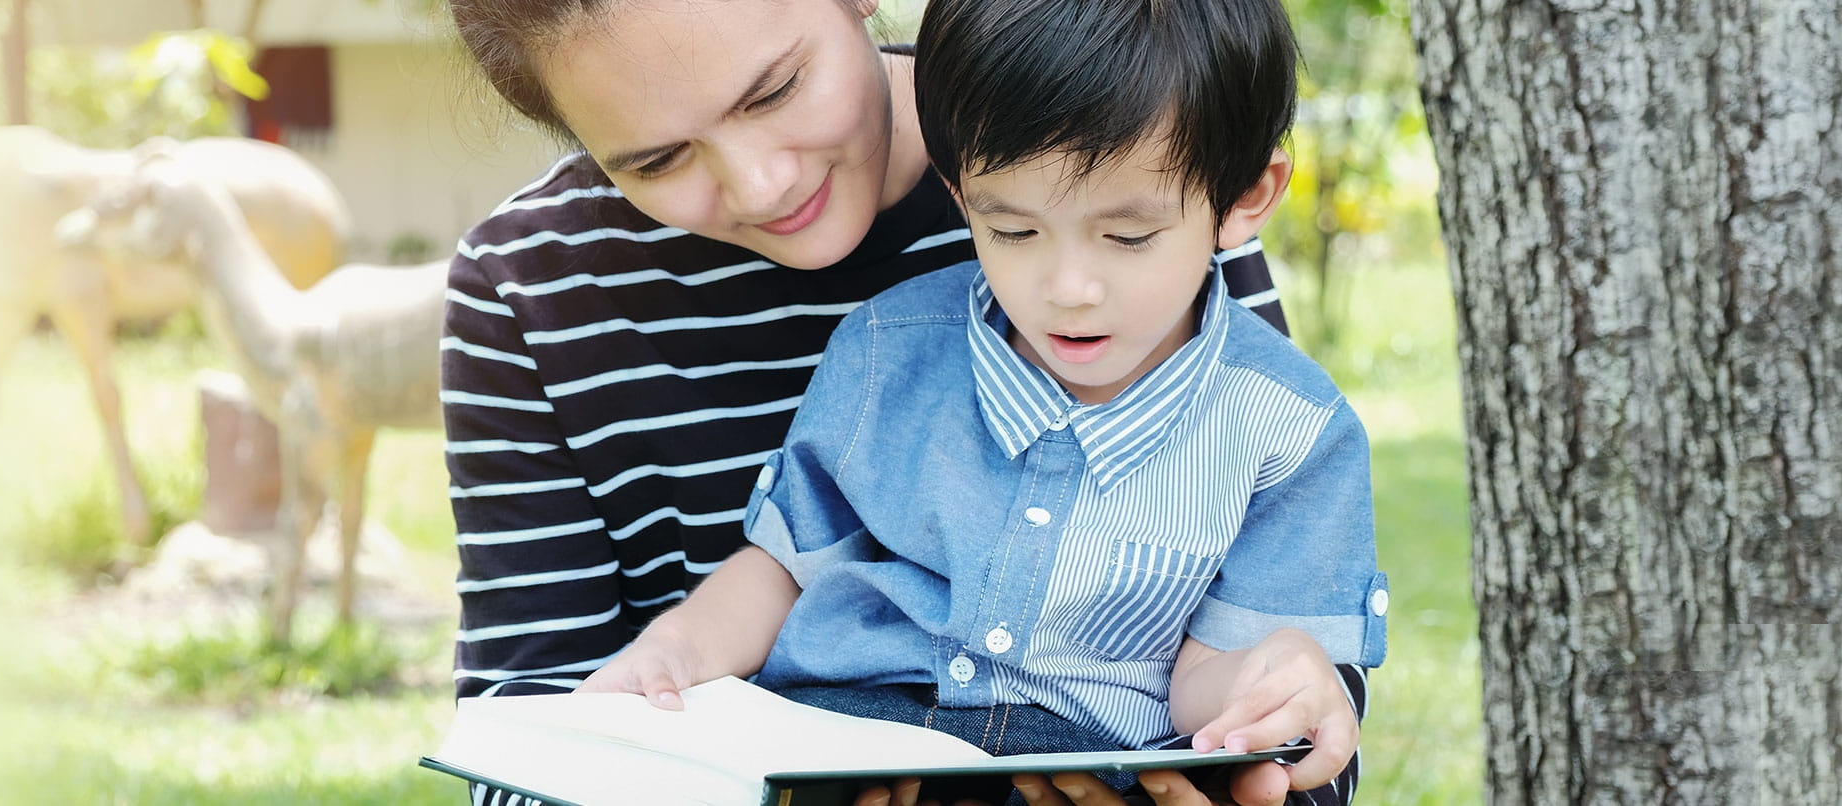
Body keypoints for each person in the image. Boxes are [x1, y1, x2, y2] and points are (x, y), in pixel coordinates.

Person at [438, 0, 1365, 803]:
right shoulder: (525, 294)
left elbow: (1277, 670)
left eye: (774, 89)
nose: (765, 183)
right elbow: (522, 744)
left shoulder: (1132, 117)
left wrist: (1263, 770)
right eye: (657, 157)